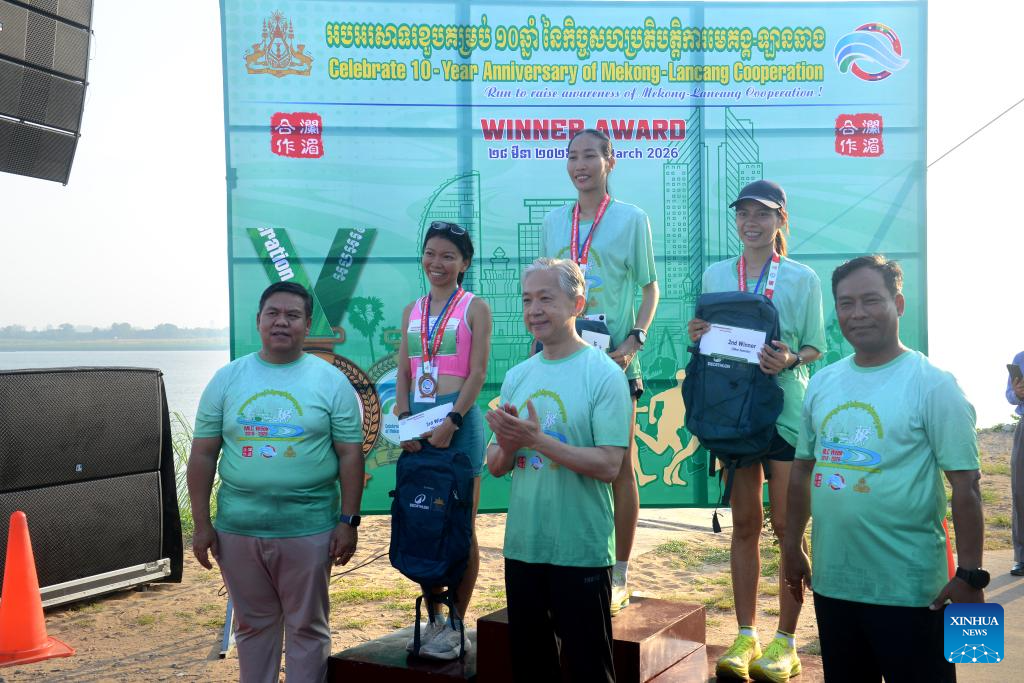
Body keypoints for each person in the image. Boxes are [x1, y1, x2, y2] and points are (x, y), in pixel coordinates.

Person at [783, 255, 986, 683]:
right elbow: (802, 471)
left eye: (871, 300)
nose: (857, 314)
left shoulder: (934, 384)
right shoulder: (822, 382)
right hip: (833, 585)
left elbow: (966, 487)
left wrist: (970, 575)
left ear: (899, 303)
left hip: (913, 593)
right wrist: (792, 547)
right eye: (845, 303)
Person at [187, 281, 365, 683]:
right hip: (238, 528)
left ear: (306, 325)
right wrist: (202, 525)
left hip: (310, 528)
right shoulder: (227, 379)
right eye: (273, 313)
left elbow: (350, 455)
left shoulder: (331, 381)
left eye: (293, 315)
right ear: (259, 321)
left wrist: (347, 521)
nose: (281, 322)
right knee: (252, 627)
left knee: (307, 628)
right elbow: (202, 454)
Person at [686, 179, 825, 682]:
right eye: (744, 213)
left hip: (786, 413)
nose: (751, 222)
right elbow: (706, 339)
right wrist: (697, 334)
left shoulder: (803, 278)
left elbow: (814, 346)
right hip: (733, 413)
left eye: (762, 214)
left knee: (789, 529)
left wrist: (789, 357)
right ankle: (746, 634)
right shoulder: (717, 272)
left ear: (780, 220)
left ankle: (786, 642)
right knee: (745, 525)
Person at [486, 258, 632, 683]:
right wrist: (510, 443)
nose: (534, 310)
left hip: (580, 547)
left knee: (589, 668)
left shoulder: (603, 374)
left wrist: (536, 440)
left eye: (546, 298)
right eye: (528, 299)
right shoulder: (517, 376)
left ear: (577, 304)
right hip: (524, 547)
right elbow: (496, 466)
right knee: (532, 667)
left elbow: (609, 465)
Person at [540, 127, 659, 615]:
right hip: (562, 358)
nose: (579, 164)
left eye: (589, 155)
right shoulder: (554, 221)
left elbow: (650, 288)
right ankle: (565, 563)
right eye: (571, 156)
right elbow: (543, 289)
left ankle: (621, 571)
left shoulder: (632, 219)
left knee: (620, 467)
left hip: (613, 362)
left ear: (611, 161)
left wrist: (634, 342)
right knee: (559, 459)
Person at [394, 221, 492, 659]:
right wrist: (403, 419)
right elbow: (404, 371)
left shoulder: (475, 307)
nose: (438, 262)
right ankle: (434, 617)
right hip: (419, 422)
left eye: (449, 255)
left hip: (459, 421)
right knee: (422, 520)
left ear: (464, 263)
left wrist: (453, 418)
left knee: (460, 527)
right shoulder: (412, 310)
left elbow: (478, 372)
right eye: (431, 253)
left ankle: (456, 623)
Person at [1006, 350, 1024, 576]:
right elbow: (1009, 394)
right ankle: (1022, 557)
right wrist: (1017, 393)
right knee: (1021, 491)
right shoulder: (1021, 358)